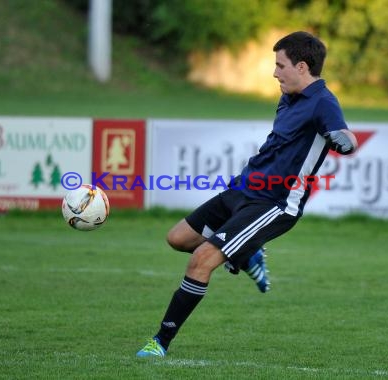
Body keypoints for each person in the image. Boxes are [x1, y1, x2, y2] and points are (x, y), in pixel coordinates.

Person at [136, 31, 358, 357]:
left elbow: (347, 138)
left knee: (201, 261)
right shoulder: (289, 97)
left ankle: (160, 342)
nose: (274, 72)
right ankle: (247, 254)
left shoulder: (323, 102)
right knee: (178, 238)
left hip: (274, 203)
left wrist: (343, 141)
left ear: (301, 66)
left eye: (280, 66)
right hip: (243, 189)